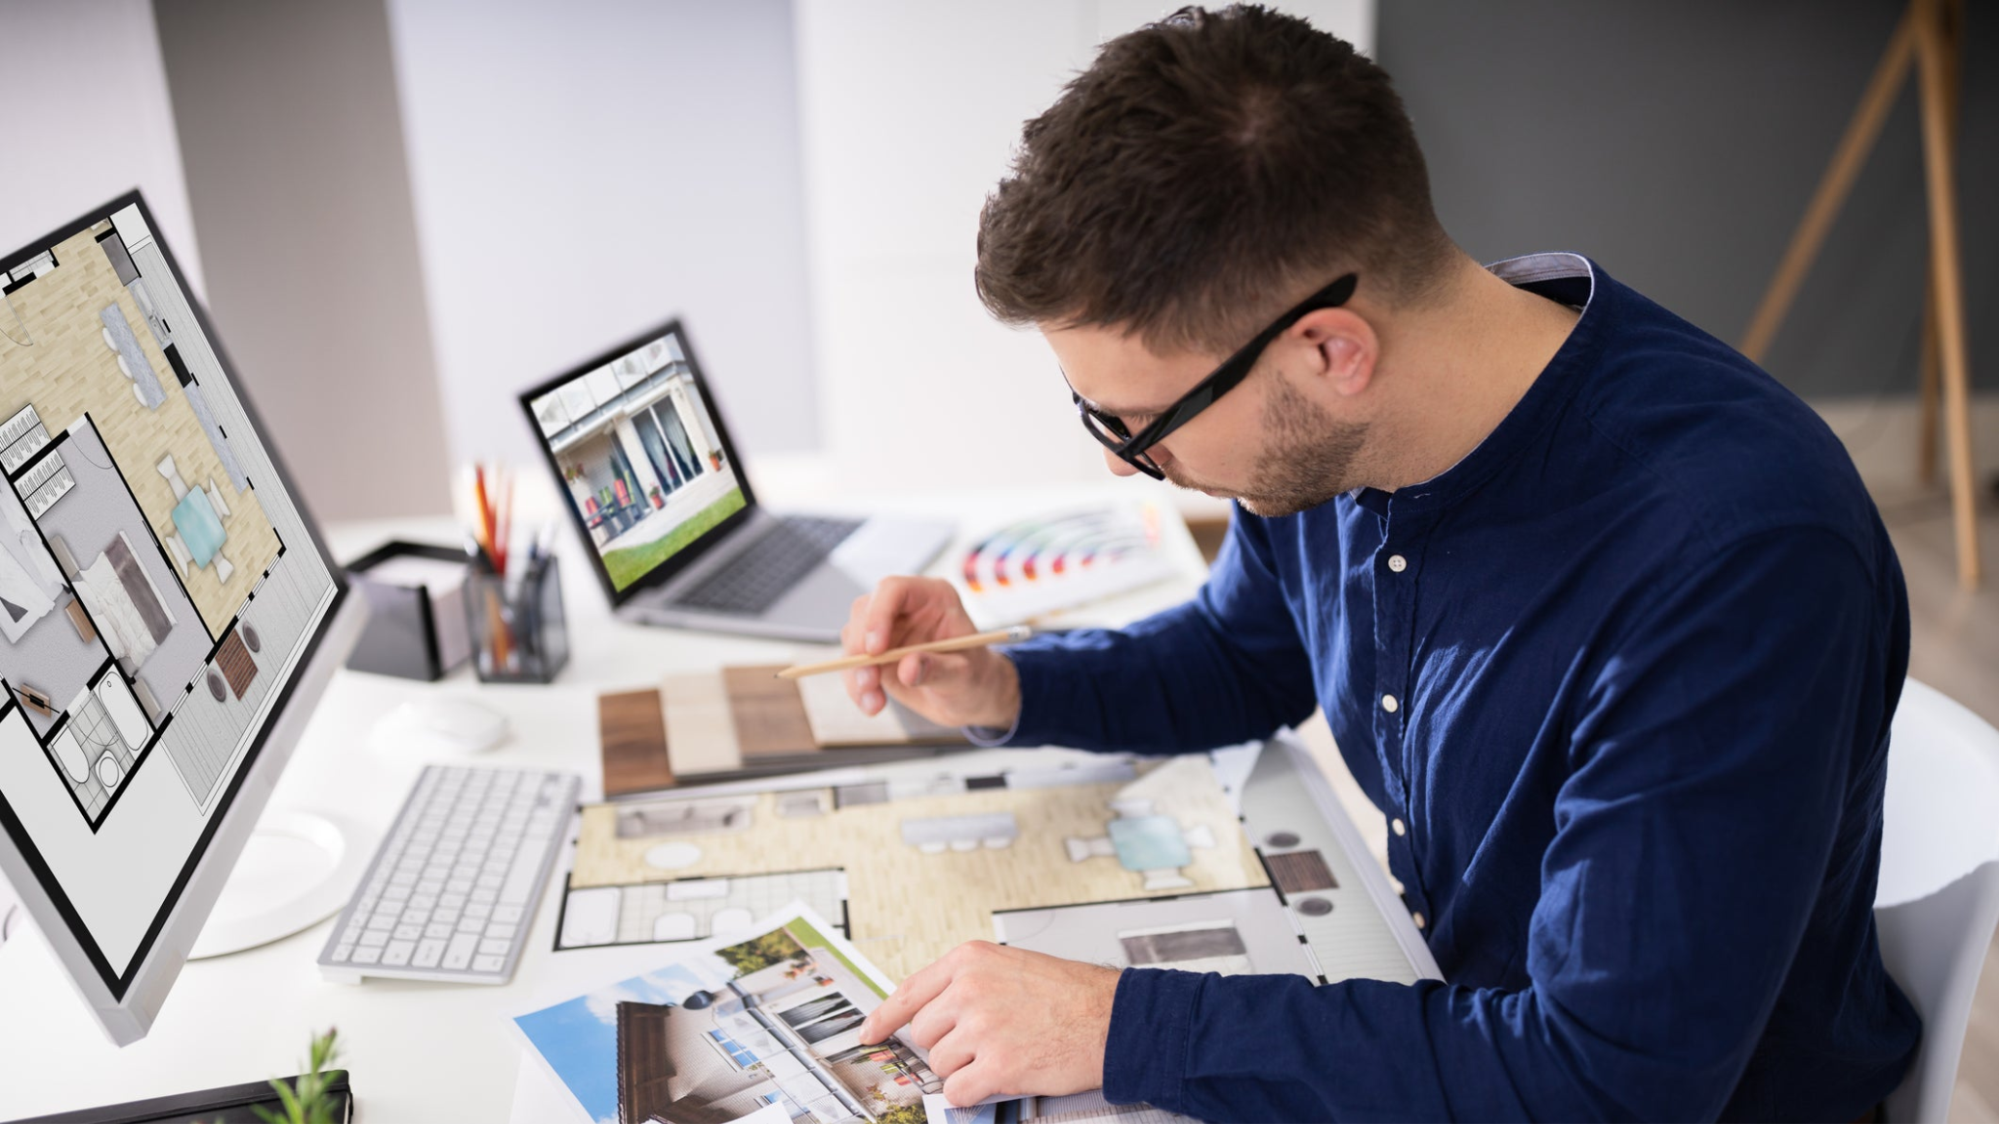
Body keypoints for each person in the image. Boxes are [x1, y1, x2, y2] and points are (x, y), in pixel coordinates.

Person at [840, 5, 1922, 1122]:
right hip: (1453, 1033)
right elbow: (1242, 652)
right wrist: (1007, 684)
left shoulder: (1728, 557)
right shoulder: (1340, 432)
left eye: (1139, 422)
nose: (1127, 466)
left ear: (1328, 351)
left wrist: (1121, 1027)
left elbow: (1609, 1083)